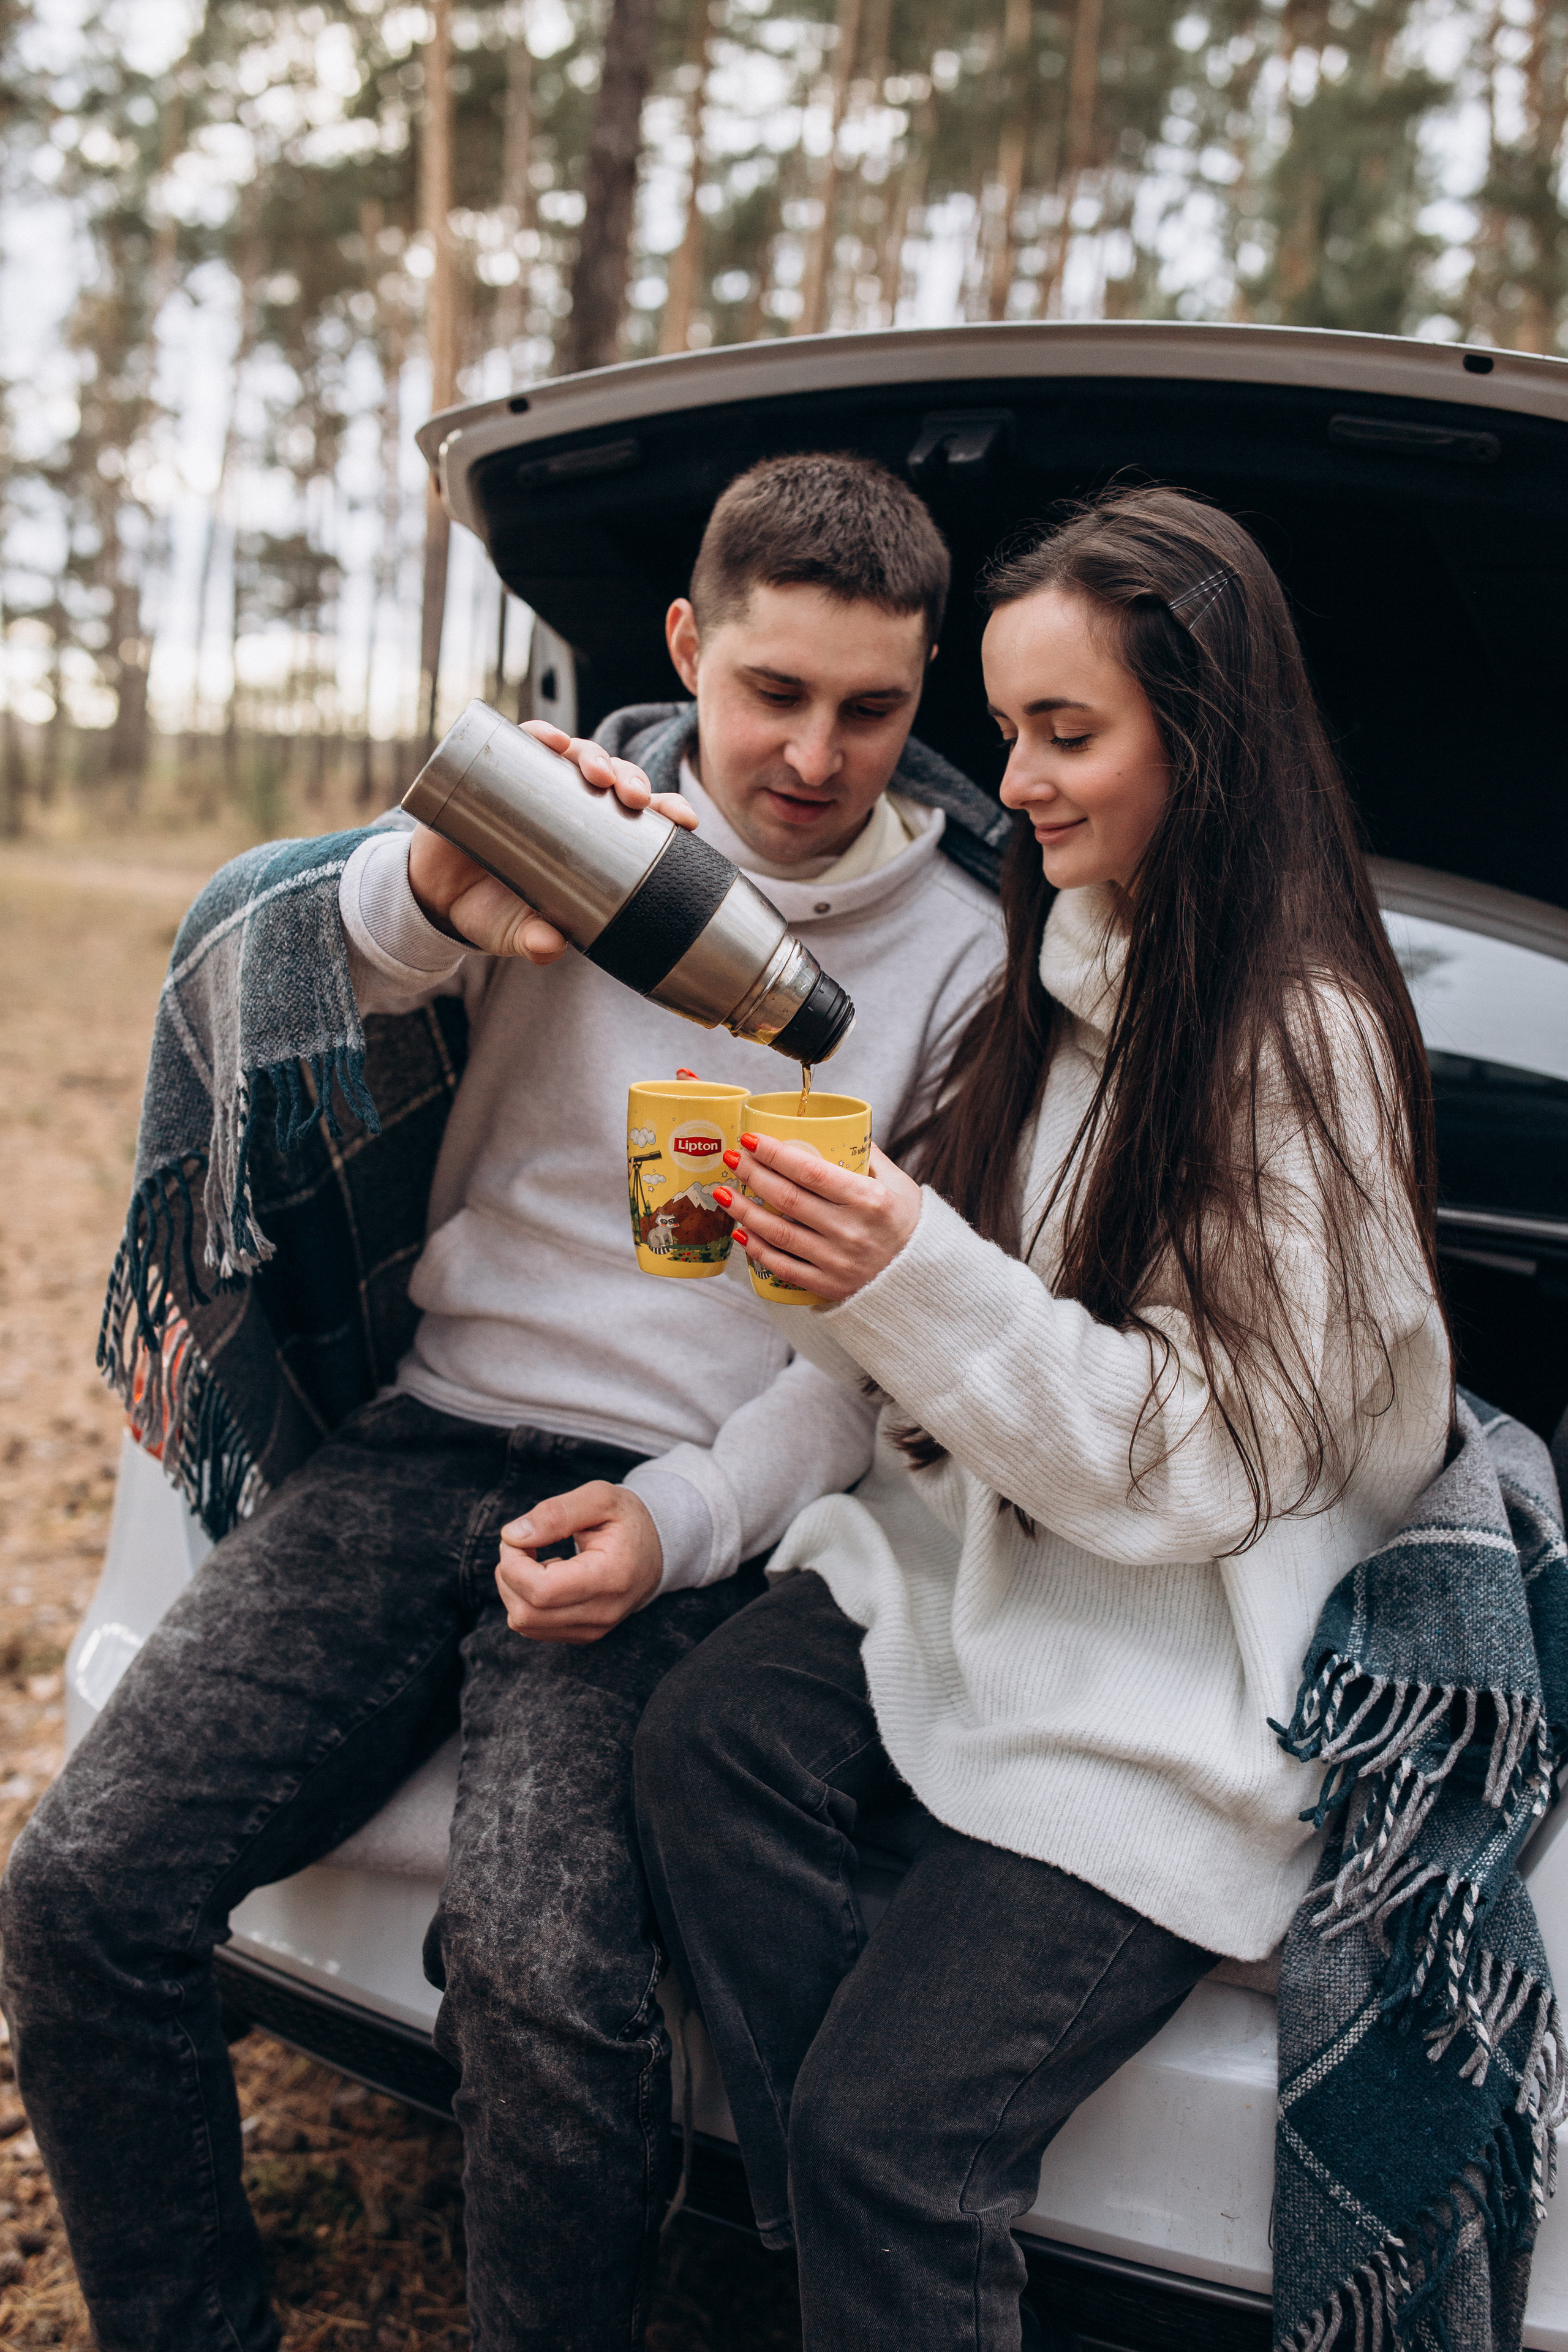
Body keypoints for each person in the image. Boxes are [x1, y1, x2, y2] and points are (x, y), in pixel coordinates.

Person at [0, 453, 1006, 2350]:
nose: (814, 754)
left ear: (925, 686)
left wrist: (679, 1525)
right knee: (77, 1895)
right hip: (427, 1440)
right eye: (774, 693)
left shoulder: (966, 954)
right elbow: (333, 960)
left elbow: (875, 1363)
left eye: (872, 709)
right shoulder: (570, 821)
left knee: (548, 1987)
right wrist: (430, 890)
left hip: (682, 1501)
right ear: (691, 647)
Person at [633, 486, 1456, 2352]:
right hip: (996, 1556)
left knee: (886, 2138)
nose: (1011, 784)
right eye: (1006, 729)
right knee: (706, 1743)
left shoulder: (1297, 1040)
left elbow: (1197, 1468)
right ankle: (864, 2260)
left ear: (1207, 734)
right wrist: (823, 1270)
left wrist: (905, 1261)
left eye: (1063, 733)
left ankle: (887, 2205)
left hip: (1179, 1654)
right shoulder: (1079, 959)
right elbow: (946, 1332)